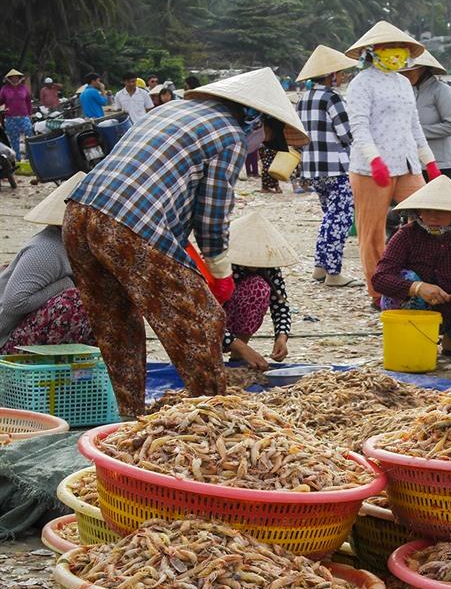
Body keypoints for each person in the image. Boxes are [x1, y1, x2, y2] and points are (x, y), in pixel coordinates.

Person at [61, 68, 308, 417]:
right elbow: (211, 217)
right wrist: (220, 273)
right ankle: (212, 418)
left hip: (79, 213)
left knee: (117, 325)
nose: (259, 145)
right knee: (202, 321)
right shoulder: (230, 135)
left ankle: (128, 417)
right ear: (257, 119)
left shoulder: (171, 109)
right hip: (129, 222)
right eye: (266, 138)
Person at [345, 20, 441, 303]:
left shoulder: (404, 83)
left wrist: (430, 162)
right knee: (371, 232)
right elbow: (359, 126)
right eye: (389, 47)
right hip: (371, 168)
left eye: (399, 47)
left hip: (408, 162)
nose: (395, 52)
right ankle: (379, 292)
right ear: (373, 50)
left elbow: (414, 126)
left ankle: (417, 277)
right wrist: (374, 159)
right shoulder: (361, 83)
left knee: (428, 216)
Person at [372, 175, 451, 360]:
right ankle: (413, 341)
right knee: (406, 276)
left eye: (441, 211)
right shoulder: (406, 234)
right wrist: (417, 288)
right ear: (419, 212)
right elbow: (380, 278)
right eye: (427, 211)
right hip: (413, 307)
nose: (433, 217)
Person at [0, 173, 93, 351]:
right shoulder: (47, 249)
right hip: (5, 338)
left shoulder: (75, 247)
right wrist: (65, 284)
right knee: (74, 300)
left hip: (20, 330)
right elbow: (14, 303)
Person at [295, 45, 358, 287]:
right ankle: (333, 273)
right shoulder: (332, 98)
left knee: (329, 217)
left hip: (313, 168)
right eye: (340, 73)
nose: (342, 77)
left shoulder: (304, 99)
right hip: (336, 167)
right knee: (339, 219)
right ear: (331, 75)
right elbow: (346, 134)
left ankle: (319, 268)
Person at [215, 209, 297, 370]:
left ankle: (237, 356)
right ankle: (226, 351)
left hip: (233, 321)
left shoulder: (268, 266)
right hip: (206, 325)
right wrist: (242, 347)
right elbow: (203, 316)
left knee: (258, 287)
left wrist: (281, 337)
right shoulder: (217, 264)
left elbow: (280, 304)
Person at [401, 49, 451, 175]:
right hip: (415, 162)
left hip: (439, 162)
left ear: (423, 69)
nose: (406, 75)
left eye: (409, 71)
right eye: (403, 72)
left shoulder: (443, 91)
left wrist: (416, 132)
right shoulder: (410, 91)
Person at [0, 70, 33, 161]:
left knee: (29, 134)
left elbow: (28, 102)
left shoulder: (23, 88)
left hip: (24, 117)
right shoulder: (5, 89)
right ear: (9, 79)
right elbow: (1, 101)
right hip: (10, 118)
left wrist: (30, 114)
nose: (15, 79)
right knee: (14, 139)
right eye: (13, 78)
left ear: (19, 78)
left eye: (16, 77)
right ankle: (17, 159)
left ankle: (29, 157)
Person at [259, 116, 288, 193]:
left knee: (273, 166)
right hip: (268, 141)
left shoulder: (274, 118)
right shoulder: (269, 117)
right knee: (268, 165)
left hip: (274, 140)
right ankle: (267, 186)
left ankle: (273, 186)